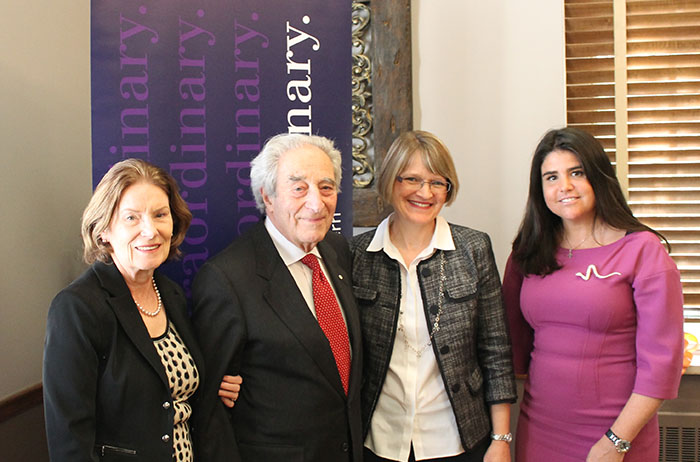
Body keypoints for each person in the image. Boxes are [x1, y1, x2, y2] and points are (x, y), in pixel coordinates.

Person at [503, 127, 684, 461]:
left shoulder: (642, 251)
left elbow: (661, 366)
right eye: (551, 177)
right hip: (540, 430)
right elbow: (509, 343)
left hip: (617, 434)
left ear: (599, 177)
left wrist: (615, 442)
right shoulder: (527, 253)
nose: (564, 187)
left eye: (576, 172)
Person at [191, 133, 363, 462]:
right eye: (299, 188)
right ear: (267, 197)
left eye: (326, 188)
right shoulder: (226, 279)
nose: (316, 203)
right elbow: (211, 412)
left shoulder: (339, 252)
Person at [350, 130, 517, 462]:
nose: (424, 192)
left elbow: (495, 349)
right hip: (379, 440)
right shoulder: (357, 254)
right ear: (390, 182)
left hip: (456, 440)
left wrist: (501, 439)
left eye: (437, 182)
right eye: (411, 179)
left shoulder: (473, 249)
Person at [43, 159, 201, 461]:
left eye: (160, 215)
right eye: (131, 218)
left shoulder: (172, 295)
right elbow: (69, 440)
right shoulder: (77, 309)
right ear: (103, 230)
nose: (150, 230)